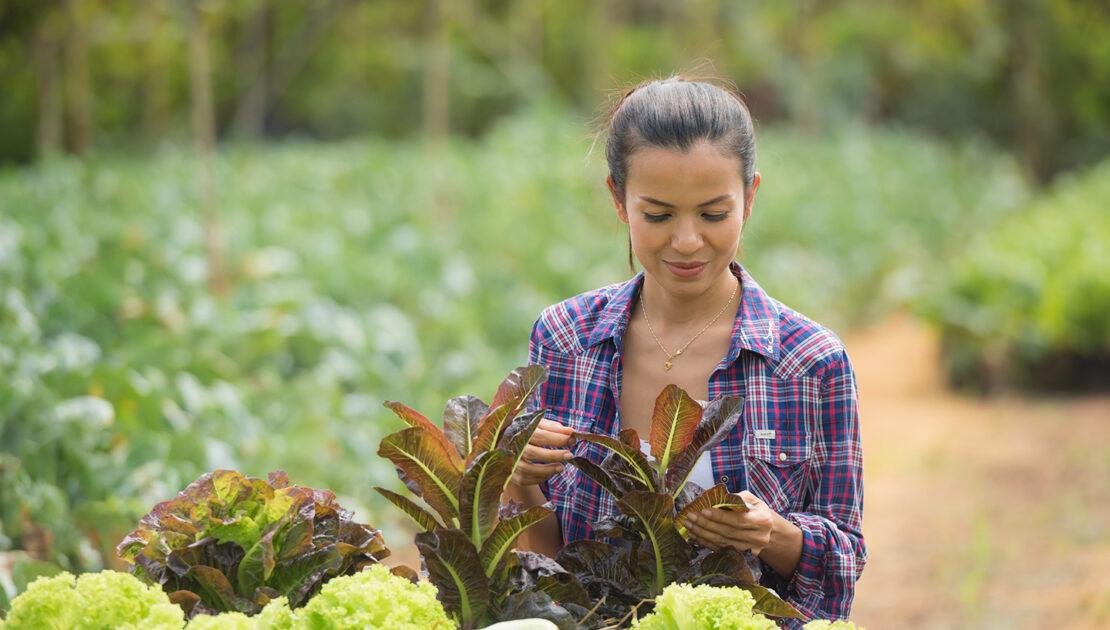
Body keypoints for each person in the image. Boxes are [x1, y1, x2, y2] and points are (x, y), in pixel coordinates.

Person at [503, 76, 866, 626]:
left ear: (751, 196)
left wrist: (771, 533)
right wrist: (521, 480)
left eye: (714, 214)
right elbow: (548, 567)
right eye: (659, 215)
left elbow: (844, 560)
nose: (688, 241)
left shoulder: (809, 362)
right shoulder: (565, 340)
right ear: (618, 200)